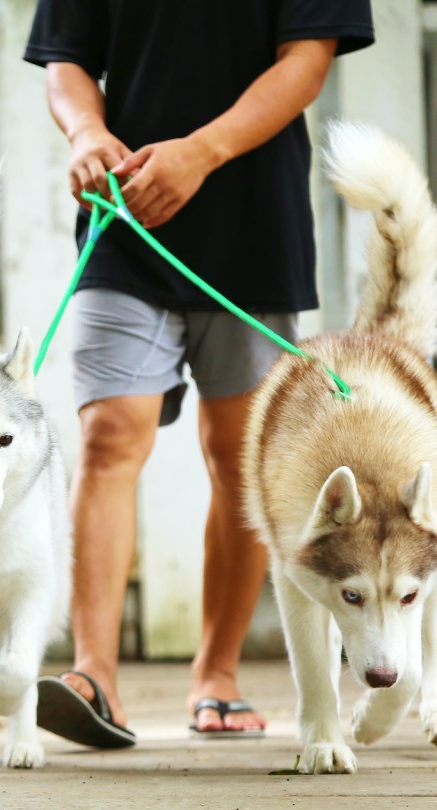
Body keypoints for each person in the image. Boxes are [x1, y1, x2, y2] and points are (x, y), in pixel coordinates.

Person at [23, 1, 374, 744]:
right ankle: (94, 677)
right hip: (121, 218)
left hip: (255, 229)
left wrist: (201, 151)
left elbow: (305, 62)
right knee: (111, 435)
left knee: (238, 458)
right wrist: (87, 133)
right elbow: (66, 56)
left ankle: (216, 675)